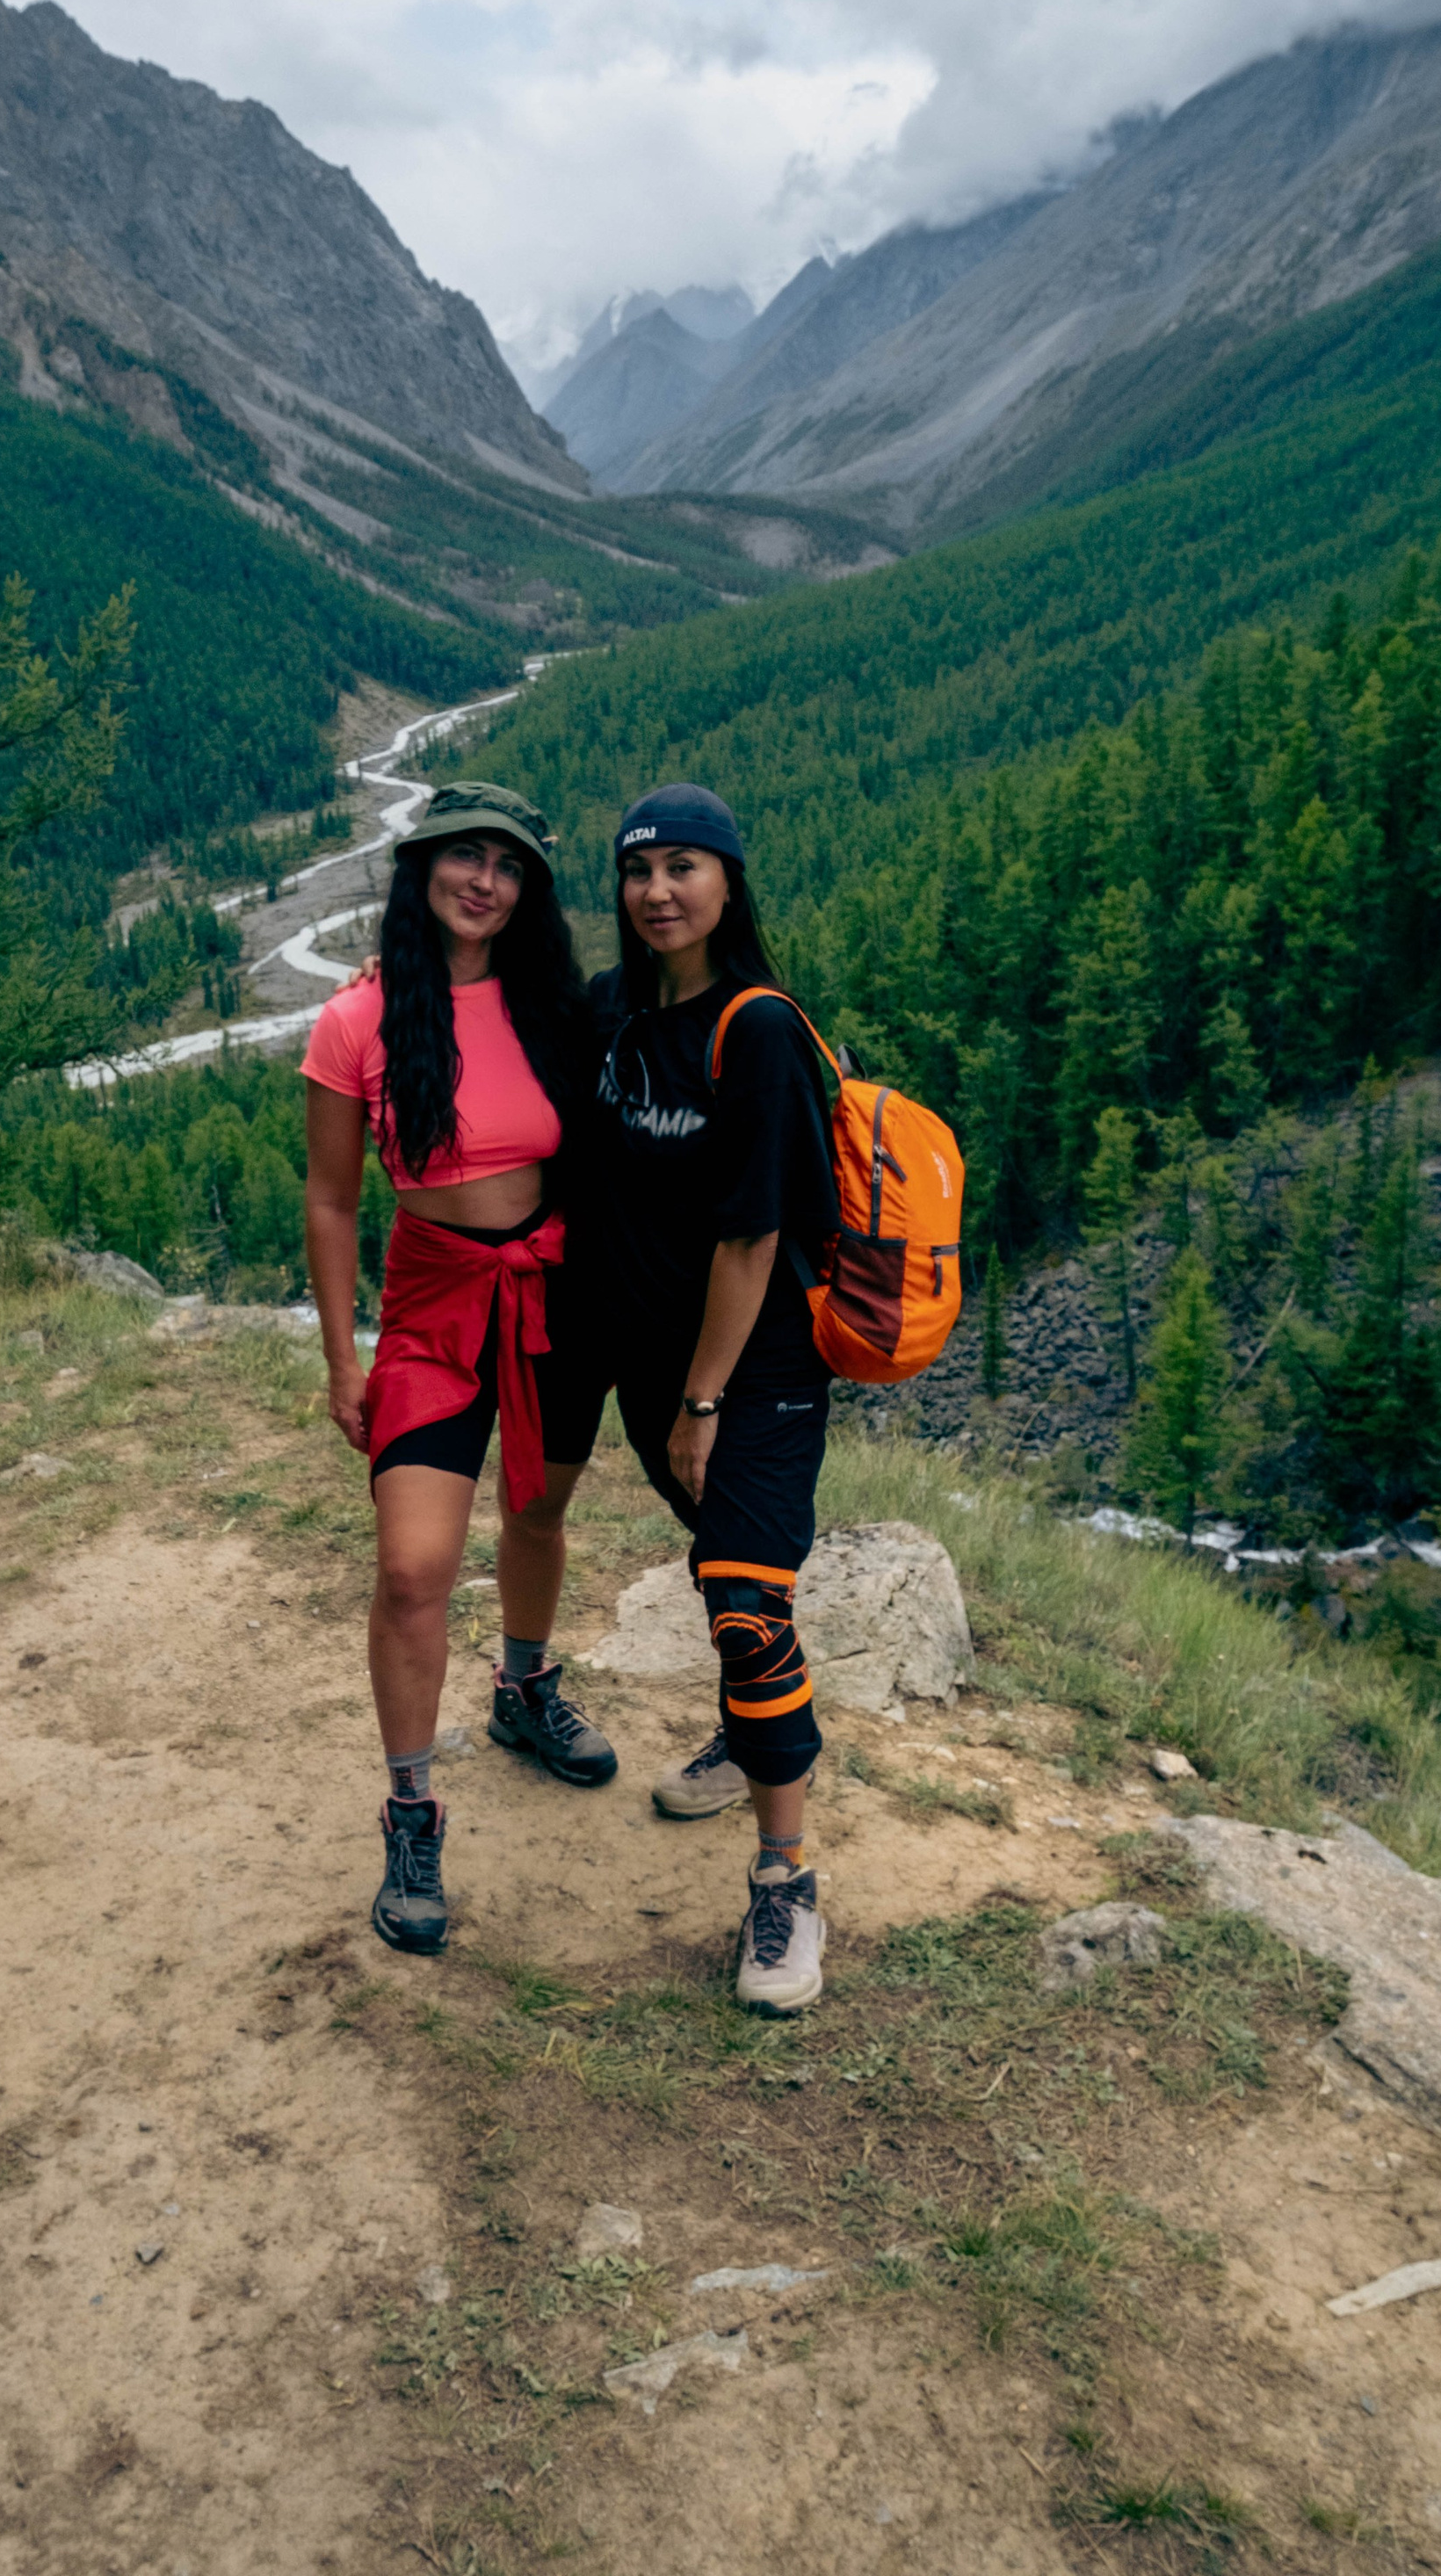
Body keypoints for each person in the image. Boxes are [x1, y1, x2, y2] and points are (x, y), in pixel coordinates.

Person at [302, 782, 615, 1957]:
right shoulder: (358, 1021)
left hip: (551, 1293)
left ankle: (524, 1691)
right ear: (420, 866)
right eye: (461, 856)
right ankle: (412, 1808)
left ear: (527, 889)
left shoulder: (553, 1007)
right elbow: (334, 1201)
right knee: (414, 1567)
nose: (482, 880)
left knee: (536, 1513)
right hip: (433, 1308)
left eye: (507, 864)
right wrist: (344, 1363)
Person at [583, 783, 842, 2015]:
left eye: (685, 866)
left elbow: (751, 1238)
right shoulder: (621, 1018)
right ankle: (750, 1740)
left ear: (729, 883)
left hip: (755, 1375)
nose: (658, 891)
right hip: (657, 1373)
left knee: (744, 1602)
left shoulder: (761, 1031)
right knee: (730, 1578)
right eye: (638, 871)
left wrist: (701, 1404)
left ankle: (785, 1880)